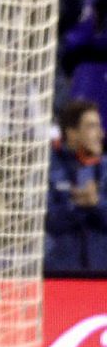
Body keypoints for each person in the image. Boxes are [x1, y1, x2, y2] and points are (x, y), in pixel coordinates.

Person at [45, 99, 107, 274]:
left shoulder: (106, 170)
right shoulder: (49, 168)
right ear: (72, 133)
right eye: (91, 127)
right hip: (60, 273)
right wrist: (76, 206)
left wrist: (96, 203)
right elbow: (48, 222)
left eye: (99, 126)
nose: (100, 134)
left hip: (102, 274)